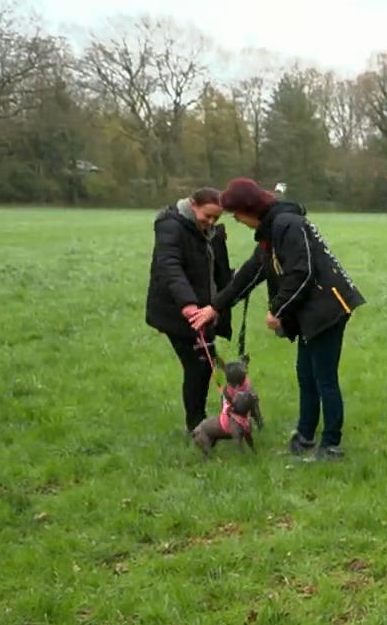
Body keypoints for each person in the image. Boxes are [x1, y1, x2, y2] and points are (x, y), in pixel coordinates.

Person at [203, 178, 366, 462]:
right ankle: (304, 438)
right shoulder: (271, 231)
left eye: (237, 215)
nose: (238, 221)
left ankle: (331, 446)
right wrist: (215, 307)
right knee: (306, 375)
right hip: (309, 312)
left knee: (323, 378)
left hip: (328, 308)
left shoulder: (287, 225)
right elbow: (250, 274)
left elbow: (301, 272)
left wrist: (277, 309)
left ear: (248, 209)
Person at [146, 187, 233, 432]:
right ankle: (196, 425)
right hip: (179, 311)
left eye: (217, 218)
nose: (212, 222)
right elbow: (170, 266)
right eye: (208, 215)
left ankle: (201, 420)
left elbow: (216, 268)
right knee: (198, 365)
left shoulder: (210, 231)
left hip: (205, 312)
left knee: (205, 364)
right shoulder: (170, 226)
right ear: (193, 204)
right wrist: (187, 303)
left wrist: (229, 292)